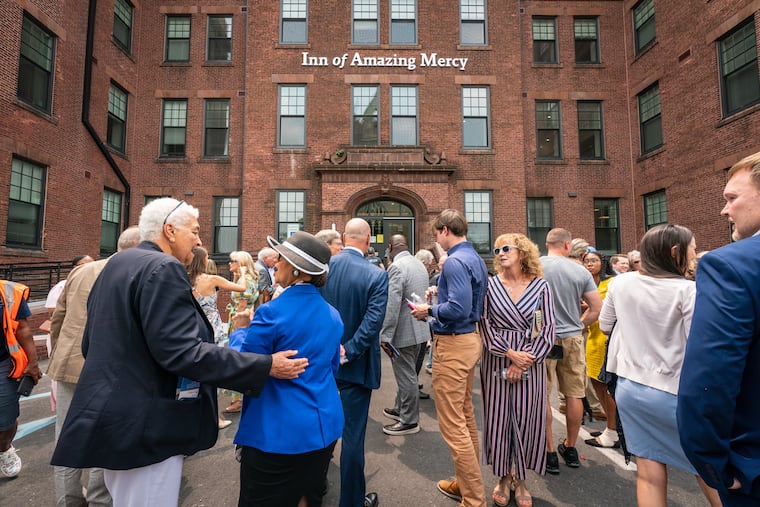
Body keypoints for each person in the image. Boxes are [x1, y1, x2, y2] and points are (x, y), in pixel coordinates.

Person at [50, 198, 308, 506]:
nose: (199, 240)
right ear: (169, 230)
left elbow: (89, 343)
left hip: (116, 422)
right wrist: (264, 365)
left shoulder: (118, 263)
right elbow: (184, 353)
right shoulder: (164, 267)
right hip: (146, 425)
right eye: (195, 231)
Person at [600, 224, 720, 507]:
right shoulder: (689, 292)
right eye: (692, 248)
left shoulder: (621, 283)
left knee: (649, 474)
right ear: (676, 252)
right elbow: (698, 346)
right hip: (675, 391)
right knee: (709, 471)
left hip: (630, 388)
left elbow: (605, 326)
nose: (694, 254)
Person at [229, 231, 343, 507]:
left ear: (294, 268)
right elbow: (332, 368)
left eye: (280, 257)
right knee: (307, 498)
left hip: (277, 433)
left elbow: (244, 367)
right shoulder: (333, 314)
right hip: (323, 427)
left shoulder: (271, 313)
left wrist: (239, 331)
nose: (275, 262)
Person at [678, 151, 760, 507]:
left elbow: (709, 380)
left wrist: (714, 468)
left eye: (732, 198)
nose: (725, 211)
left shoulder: (730, 265)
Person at [47, 226, 140, 505]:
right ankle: (100, 499)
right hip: (108, 369)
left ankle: (68, 500)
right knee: (104, 435)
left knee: (66, 437)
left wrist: (60, 354)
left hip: (68, 364)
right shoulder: (133, 272)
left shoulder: (81, 271)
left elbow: (58, 320)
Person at [411, 209, 489, 507]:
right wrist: (439, 295)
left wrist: (427, 311)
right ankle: (465, 485)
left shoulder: (455, 260)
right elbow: (464, 302)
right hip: (468, 340)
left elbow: (457, 308)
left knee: (453, 424)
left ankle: (472, 499)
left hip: (454, 345)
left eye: (437, 234)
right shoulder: (474, 259)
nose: (437, 241)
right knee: (465, 417)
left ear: (445, 230)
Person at [480, 233, 555, 507]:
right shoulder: (490, 286)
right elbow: (485, 324)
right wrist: (509, 354)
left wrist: (525, 359)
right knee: (498, 419)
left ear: (522, 252)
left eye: (506, 248)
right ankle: (501, 476)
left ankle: (521, 479)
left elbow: (547, 328)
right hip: (497, 359)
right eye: (497, 249)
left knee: (527, 419)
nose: (500, 253)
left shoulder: (541, 287)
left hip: (530, 362)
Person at [320, 218, 388, 507]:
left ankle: (314, 487)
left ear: (345, 237)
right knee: (352, 437)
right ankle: (351, 502)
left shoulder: (323, 270)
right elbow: (372, 324)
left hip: (322, 363)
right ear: (369, 240)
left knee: (321, 429)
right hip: (355, 368)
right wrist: (348, 351)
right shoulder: (375, 275)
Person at [539, 228, 601, 474]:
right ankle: (571, 446)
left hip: (543, 337)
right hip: (572, 337)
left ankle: (549, 451)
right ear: (567, 245)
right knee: (574, 394)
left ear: (547, 244)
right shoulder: (580, 270)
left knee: (542, 394)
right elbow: (597, 308)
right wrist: (580, 324)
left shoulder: (537, 266)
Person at [187, 246, 248, 429]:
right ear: (203, 260)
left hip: (193, 328)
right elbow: (241, 287)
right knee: (213, 373)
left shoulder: (186, 280)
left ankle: (195, 415)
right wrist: (243, 272)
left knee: (196, 373)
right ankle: (215, 418)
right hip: (213, 330)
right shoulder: (211, 279)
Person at [379, 234, 430, 436]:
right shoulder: (418, 263)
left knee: (406, 375)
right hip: (419, 328)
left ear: (390, 247)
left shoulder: (397, 267)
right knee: (408, 372)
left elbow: (392, 305)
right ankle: (400, 408)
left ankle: (409, 421)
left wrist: (385, 335)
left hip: (403, 331)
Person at [0, 280, 41, 478]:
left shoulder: (9, 291)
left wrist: (33, 362)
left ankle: (4, 448)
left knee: (5, 418)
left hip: (4, 364)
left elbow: (23, 329)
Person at [581, 250, 619, 448]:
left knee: (606, 388)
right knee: (596, 384)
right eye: (586, 261)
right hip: (591, 339)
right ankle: (611, 428)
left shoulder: (610, 283)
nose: (589, 264)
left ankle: (613, 432)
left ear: (603, 263)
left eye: (594, 261)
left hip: (605, 340)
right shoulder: (589, 285)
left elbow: (601, 309)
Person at [225, 250, 260, 413]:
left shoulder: (246, 280)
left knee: (236, 354)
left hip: (241, 320)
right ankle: (240, 397)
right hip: (246, 319)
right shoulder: (245, 279)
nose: (229, 263)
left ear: (242, 263)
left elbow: (241, 304)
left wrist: (235, 327)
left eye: (233, 260)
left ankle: (238, 399)